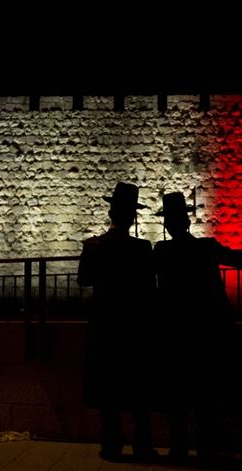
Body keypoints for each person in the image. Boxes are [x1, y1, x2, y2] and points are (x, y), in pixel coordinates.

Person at [153, 191, 242, 464]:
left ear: (167, 225)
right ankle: (207, 450)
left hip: (175, 333)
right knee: (206, 397)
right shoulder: (206, 247)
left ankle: (178, 450)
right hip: (208, 332)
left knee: (177, 398)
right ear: (188, 222)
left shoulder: (162, 251)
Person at [78, 182, 158, 462]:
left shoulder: (94, 246)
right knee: (138, 390)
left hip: (104, 324)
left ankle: (111, 445)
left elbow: (84, 280)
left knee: (108, 388)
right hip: (134, 325)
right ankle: (143, 445)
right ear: (131, 217)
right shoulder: (142, 248)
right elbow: (150, 288)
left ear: (110, 214)